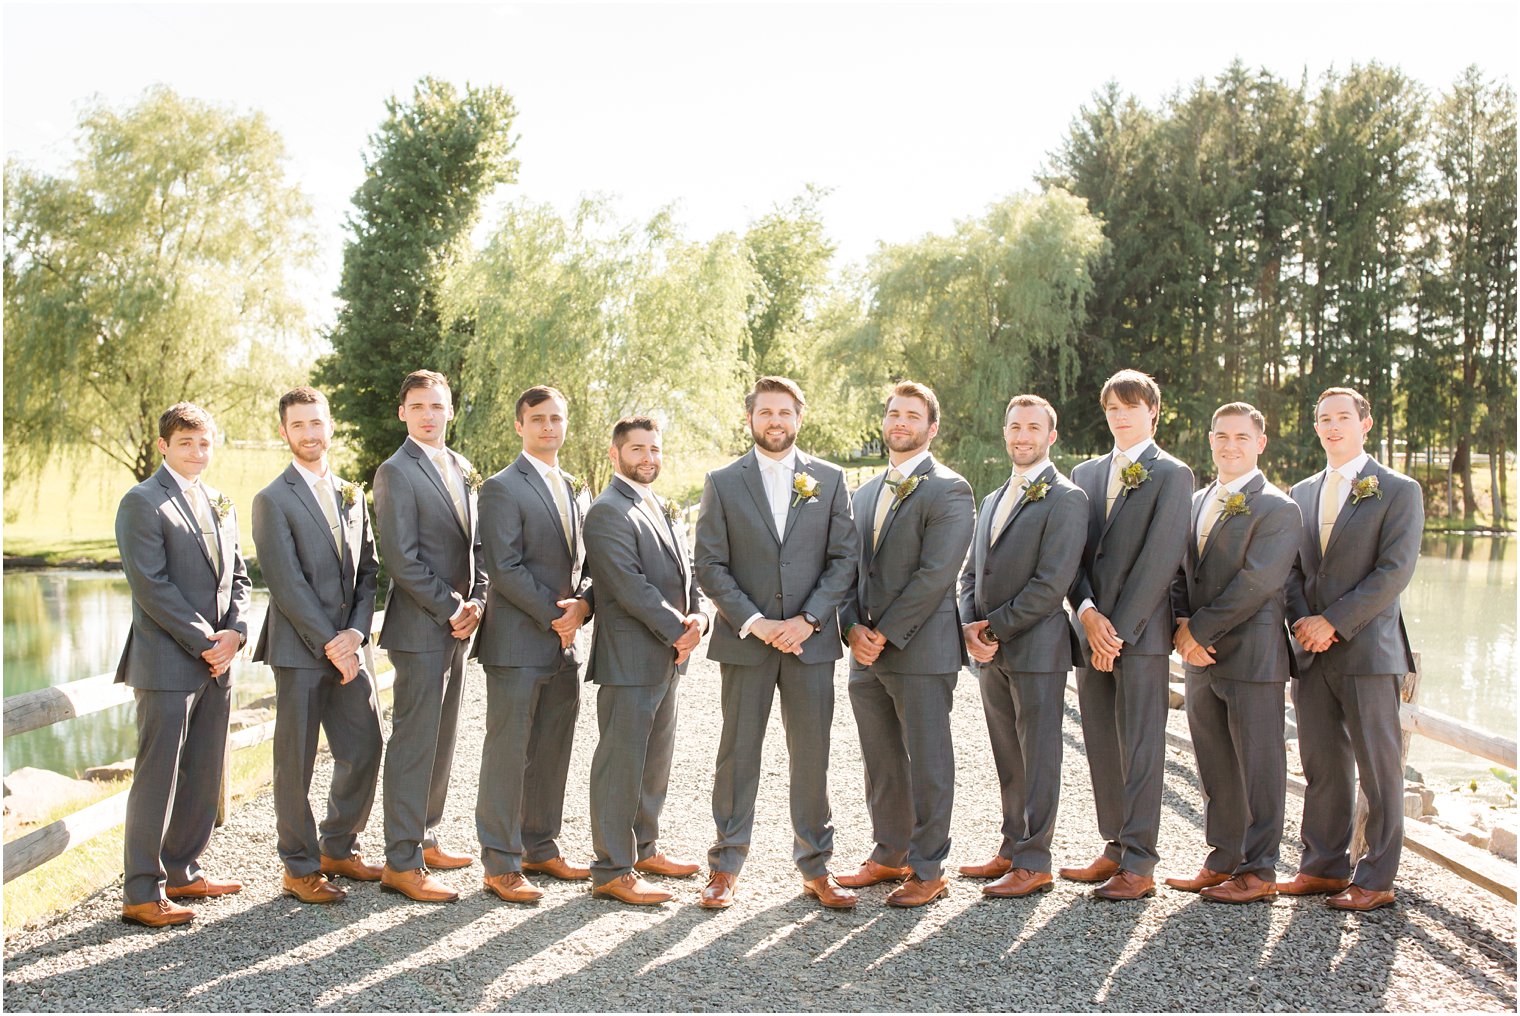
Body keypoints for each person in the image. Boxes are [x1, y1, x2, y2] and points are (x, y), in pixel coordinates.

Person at [694, 376, 861, 910]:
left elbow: (843, 559)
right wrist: (756, 621)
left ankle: (816, 866)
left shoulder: (830, 480)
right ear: (751, 419)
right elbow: (710, 565)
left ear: (799, 417)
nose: (775, 421)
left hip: (810, 644)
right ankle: (724, 866)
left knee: (811, 755)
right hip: (747, 642)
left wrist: (809, 620)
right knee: (737, 754)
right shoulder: (722, 481)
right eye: (765, 412)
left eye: (784, 412)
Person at [1281, 386, 1422, 912]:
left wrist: (1333, 623)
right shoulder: (1300, 492)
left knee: (1380, 770)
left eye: (1343, 417)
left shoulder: (1398, 490)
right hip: (1310, 651)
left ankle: (1378, 877)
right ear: (1315, 427)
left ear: (1366, 423)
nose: (1332, 426)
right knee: (1322, 764)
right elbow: (1292, 571)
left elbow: (1394, 572)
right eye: (1323, 419)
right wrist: (1302, 622)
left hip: (1368, 650)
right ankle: (1321, 866)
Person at [836, 381, 973, 907]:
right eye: (893, 413)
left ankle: (929, 865)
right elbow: (845, 568)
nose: (900, 423)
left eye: (912, 416)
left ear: (931, 427)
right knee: (881, 758)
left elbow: (936, 575)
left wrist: (884, 634)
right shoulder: (865, 493)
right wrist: (851, 628)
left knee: (929, 757)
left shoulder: (950, 489)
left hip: (919, 648)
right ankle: (889, 852)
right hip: (864, 649)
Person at [115, 402, 251, 927]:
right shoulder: (143, 502)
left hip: (219, 661)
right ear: (164, 446)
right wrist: (205, 642)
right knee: (158, 776)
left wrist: (235, 634)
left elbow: (239, 577)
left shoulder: (220, 502)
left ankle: (184, 870)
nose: (198, 452)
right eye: (187, 443)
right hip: (167, 662)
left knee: (202, 770)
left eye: (205, 443)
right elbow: (152, 587)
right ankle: (141, 892)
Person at [1164, 402, 1301, 905]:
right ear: (1210, 440)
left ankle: (1261, 869)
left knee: (1260, 765)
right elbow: (1178, 572)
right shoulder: (1196, 501)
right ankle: (1223, 857)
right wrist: (1181, 626)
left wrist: (1195, 630)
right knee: (1214, 761)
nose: (1230, 445)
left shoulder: (1279, 509)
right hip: (1199, 656)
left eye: (1241, 437)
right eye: (1221, 436)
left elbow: (1259, 581)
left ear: (1260, 443)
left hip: (1253, 656)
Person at [1064, 369, 1193, 900]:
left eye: (1131, 406)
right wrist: (1088, 613)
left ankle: (1140, 862)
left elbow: (1162, 558)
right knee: (1100, 741)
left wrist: (1117, 632)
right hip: (1092, 627)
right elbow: (1070, 551)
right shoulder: (1086, 473)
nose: (1120, 415)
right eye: (1113, 406)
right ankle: (1114, 847)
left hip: (1139, 637)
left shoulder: (1173, 474)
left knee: (1141, 746)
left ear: (1152, 413)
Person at [252, 387, 384, 904]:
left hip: (347, 645)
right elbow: (285, 583)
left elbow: (369, 572)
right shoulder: (273, 499)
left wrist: (354, 633)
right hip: (299, 650)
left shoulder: (352, 494)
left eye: (316, 423)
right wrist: (331, 643)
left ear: (330, 427)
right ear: (284, 433)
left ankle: (337, 845)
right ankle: (299, 866)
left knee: (367, 743)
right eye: (298, 425)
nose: (309, 434)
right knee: (296, 761)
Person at [958, 395, 1088, 899]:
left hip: (1036, 648)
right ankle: (1012, 846)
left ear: (1051, 436)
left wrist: (991, 629)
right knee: (1007, 753)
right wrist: (969, 624)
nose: (1022, 436)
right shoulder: (992, 499)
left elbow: (1051, 583)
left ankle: (1036, 860)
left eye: (1034, 427)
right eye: (1015, 426)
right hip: (991, 652)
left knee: (1039, 755)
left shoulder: (1067, 498)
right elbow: (971, 573)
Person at [472, 386, 597, 903]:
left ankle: (540, 846)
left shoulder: (574, 487)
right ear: (520, 426)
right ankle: (500, 862)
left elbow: (587, 562)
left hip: (561, 644)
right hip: (518, 642)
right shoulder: (502, 487)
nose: (549, 427)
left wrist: (583, 607)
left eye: (556, 419)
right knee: (508, 753)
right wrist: (555, 616)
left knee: (552, 749)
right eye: (538, 419)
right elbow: (504, 566)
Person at [372, 370, 488, 902]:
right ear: (403, 413)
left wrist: (479, 603)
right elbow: (401, 559)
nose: (428, 415)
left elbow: (477, 549)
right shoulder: (396, 471)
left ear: (449, 411)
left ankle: (426, 834)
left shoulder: (462, 468)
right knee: (415, 740)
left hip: (461, 626)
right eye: (417, 406)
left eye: (437, 406)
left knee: (443, 737)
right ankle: (401, 859)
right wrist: (451, 608)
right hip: (420, 627)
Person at [582, 417, 707, 905]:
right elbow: (629, 586)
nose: (648, 457)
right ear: (616, 455)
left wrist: (699, 618)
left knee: (654, 762)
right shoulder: (608, 511)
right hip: (631, 659)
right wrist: (680, 631)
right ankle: (612, 869)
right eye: (637, 449)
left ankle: (645, 849)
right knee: (621, 763)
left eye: (654, 449)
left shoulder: (658, 505)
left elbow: (686, 573)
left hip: (668, 657)